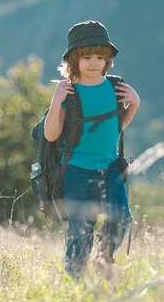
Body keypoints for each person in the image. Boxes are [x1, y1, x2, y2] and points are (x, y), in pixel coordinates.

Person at [44, 20, 140, 279]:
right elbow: (51, 134)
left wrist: (134, 104)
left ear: (108, 58)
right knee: (80, 233)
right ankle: (74, 283)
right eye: (86, 57)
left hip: (109, 168)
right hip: (75, 171)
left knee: (122, 218)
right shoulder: (69, 93)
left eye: (100, 56)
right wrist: (56, 100)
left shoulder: (114, 86)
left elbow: (116, 127)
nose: (94, 62)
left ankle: (103, 259)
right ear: (74, 59)